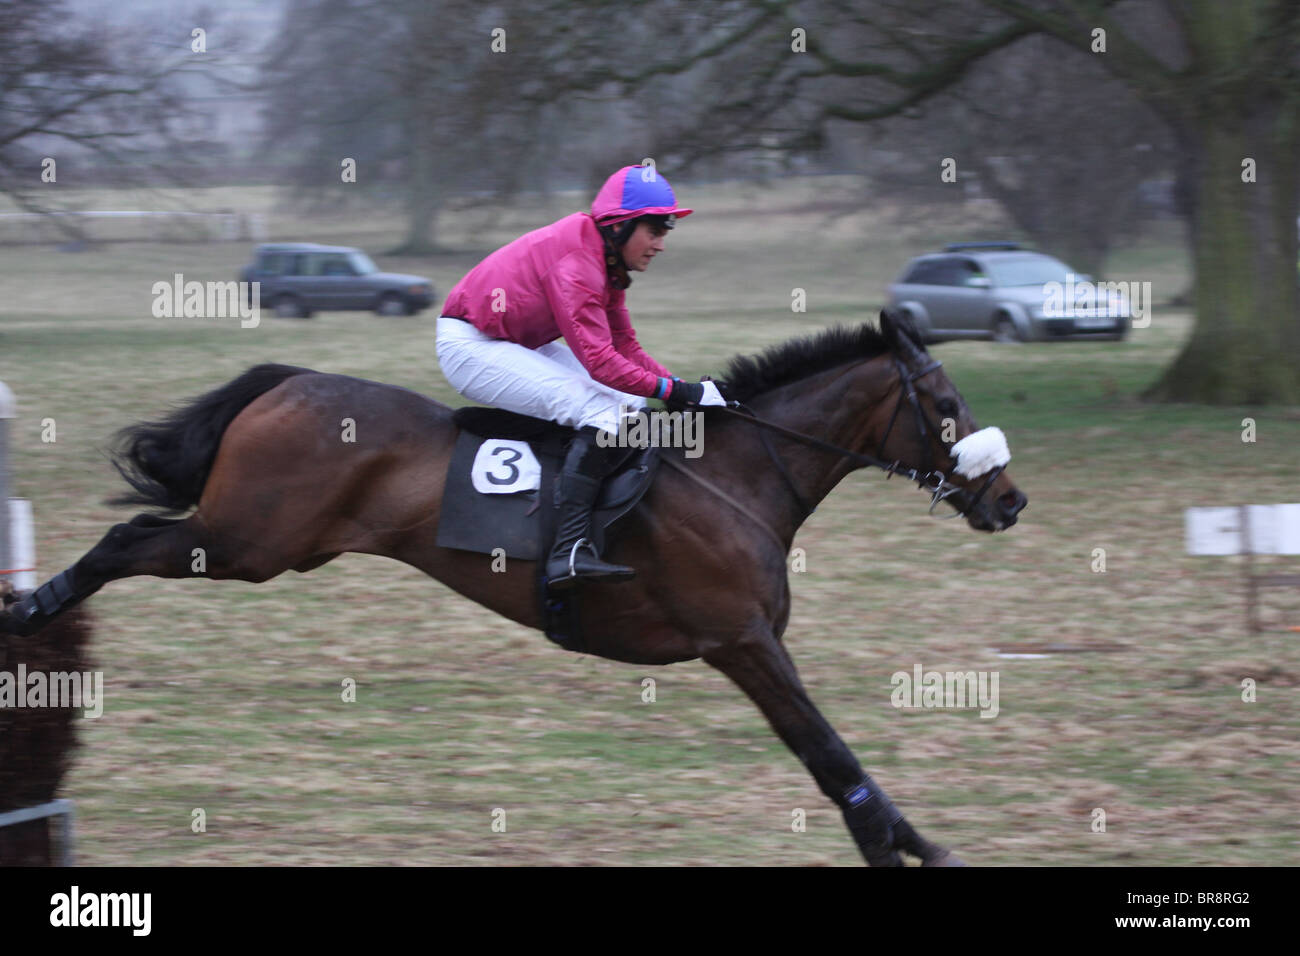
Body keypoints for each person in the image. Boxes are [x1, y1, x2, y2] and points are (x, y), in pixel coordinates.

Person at [437, 165, 727, 589]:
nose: (661, 245)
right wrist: (677, 391)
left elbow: (625, 346)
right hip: (472, 346)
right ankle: (568, 552)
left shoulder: (604, 260)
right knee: (604, 414)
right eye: (655, 231)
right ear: (621, 226)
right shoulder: (578, 264)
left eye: (666, 231)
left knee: (628, 407)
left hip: (514, 342)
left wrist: (681, 390)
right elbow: (601, 362)